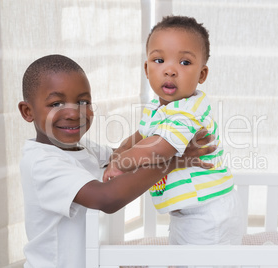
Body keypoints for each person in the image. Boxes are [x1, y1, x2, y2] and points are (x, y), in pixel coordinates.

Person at [17, 54, 216, 267]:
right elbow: (107, 198)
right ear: (28, 111)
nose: (74, 113)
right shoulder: (42, 162)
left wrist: (169, 139)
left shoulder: (84, 149)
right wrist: (172, 161)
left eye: (83, 101)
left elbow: (124, 156)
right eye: (56, 103)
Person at [104, 16, 246, 245]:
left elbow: (156, 151)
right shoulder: (156, 108)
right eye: (159, 60)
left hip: (209, 212)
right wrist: (119, 152)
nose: (170, 70)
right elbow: (139, 138)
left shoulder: (186, 113)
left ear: (202, 74)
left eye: (185, 63)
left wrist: (119, 163)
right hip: (188, 211)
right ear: (146, 69)